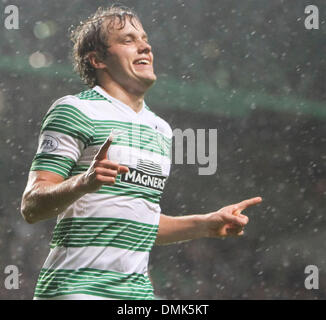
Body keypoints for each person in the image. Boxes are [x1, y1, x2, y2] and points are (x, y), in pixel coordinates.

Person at [21, 5, 262, 300]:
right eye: (127, 40)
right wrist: (84, 182)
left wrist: (205, 224)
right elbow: (31, 206)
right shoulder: (75, 110)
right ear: (97, 59)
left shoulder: (160, 129)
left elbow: (141, 222)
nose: (145, 45)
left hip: (137, 294)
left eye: (144, 38)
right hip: (77, 290)